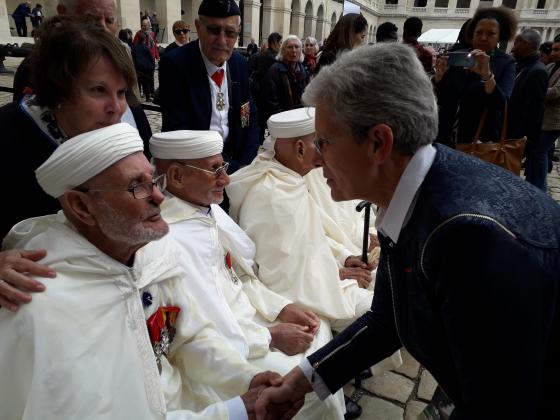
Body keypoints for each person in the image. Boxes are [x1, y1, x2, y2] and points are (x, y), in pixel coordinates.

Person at [253, 43, 560, 420]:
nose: (318, 155)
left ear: (379, 143)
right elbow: (389, 319)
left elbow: (499, 405)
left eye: (325, 142)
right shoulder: (411, 190)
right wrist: (300, 382)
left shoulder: (468, 238)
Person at [0, 123, 289, 420]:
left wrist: (246, 379)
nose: (160, 198)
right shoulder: (46, 304)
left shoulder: (150, 255)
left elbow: (188, 337)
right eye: (137, 187)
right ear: (81, 206)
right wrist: (235, 411)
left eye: (154, 182)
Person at [149, 130, 345, 419]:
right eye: (215, 169)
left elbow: (237, 275)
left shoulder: (206, 211)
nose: (226, 179)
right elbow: (200, 327)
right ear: (177, 176)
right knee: (306, 383)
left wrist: (281, 307)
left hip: (247, 318)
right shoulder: (172, 241)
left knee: (320, 329)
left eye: (224, 168)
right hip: (230, 347)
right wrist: (268, 336)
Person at [158, 0, 259, 174]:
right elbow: (178, 132)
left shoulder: (239, 64)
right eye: (214, 30)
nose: (222, 40)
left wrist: (245, 164)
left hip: (238, 163)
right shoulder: (175, 65)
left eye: (230, 32)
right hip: (197, 168)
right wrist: (232, 169)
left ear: (238, 32)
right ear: (198, 27)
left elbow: (249, 116)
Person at [434, 6, 517, 147]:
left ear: (499, 37)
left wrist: (487, 76)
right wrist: (438, 78)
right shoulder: (459, 56)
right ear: (472, 34)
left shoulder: (505, 63)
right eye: (479, 32)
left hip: (478, 141)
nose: (483, 38)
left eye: (491, 34)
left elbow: (502, 103)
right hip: (444, 136)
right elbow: (441, 97)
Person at [508, 29, 548, 189]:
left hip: (518, 136)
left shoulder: (537, 71)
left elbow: (534, 110)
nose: (512, 48)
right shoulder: (522, 67)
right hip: (512, 132)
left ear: (526, 45)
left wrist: (524, 139)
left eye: (516, 43)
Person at [529, 35, 560, 191]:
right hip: (542, 116)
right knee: (537, 153)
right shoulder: (550, 66)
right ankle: (534, 184)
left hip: (554, 120)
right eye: (553, 49)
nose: (553, 53)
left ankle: (540, 188)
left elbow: (555, 92)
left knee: (540, 153)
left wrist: (538, 90)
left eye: (557, 50)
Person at [260, 36, 309, 127]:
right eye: (290, 47)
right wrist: (283, 121)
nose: (294, 50)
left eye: (297, 47)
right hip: (282, 122)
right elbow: (271, 102)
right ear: (283, 51)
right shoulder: (274, 71)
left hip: (300, 120)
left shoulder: (303, 71)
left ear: (301, 50)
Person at [132, 31, 156, 102]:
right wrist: (152, 66)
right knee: (146, 83)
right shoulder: (146, 48)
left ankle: (138, 95)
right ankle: (148, 97)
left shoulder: (135, 48)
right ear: (145, 39)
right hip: (146, 68)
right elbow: (150, 58)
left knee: (138, 82)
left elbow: (133, 57)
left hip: (138, 67)